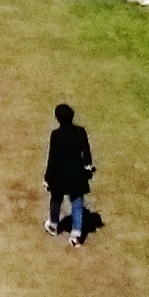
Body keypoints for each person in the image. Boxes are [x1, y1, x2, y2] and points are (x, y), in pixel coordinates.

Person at [45, 103, 95, 243]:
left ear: (58, 118)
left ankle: (53, 225)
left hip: (60, 173)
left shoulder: (56, 134)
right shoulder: (80, 131)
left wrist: (48, 177)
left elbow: (52, 158)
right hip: (77, 172)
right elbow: (87, 153)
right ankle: (76, 234)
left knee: (56, 198)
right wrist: (88, 167)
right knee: (77, 202)